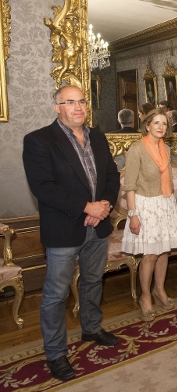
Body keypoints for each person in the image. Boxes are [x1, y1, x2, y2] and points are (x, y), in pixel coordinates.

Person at [22, 85, 120, 381]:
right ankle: (55, 353)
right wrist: (86, 207)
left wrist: (104, 205)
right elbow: (44, 187)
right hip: (64, 228)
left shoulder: (99, 137)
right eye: (70, 102)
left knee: (93, 281)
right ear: (57, 107)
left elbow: (112, 176)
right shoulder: (39, 140)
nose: (78, 107)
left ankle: (91, 328)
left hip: (98, 226)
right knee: (56, 293)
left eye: (82, 101)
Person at [121, 109, 177, 322]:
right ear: (147, 125)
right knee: (150, 255)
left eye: (164, 123)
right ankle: (145, 297)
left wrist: (170, 204)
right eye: (156, 122)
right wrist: (133, 215)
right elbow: (129, 186)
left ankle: (159, 290)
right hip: (145, 206)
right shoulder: (137, 149)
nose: (160, 127)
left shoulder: (165, 147)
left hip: (164, 204)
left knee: (164, 252)